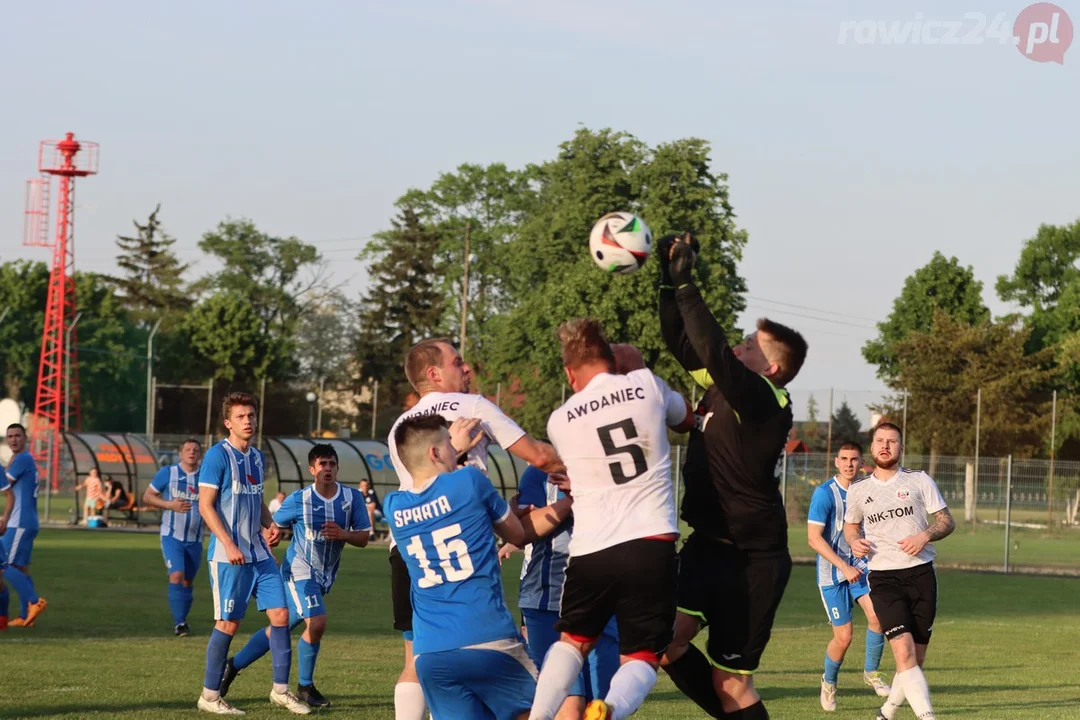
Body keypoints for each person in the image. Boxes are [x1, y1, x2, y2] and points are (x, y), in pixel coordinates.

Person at [657, 232, 808, 719]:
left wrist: (688, 286)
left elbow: (715, 350)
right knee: (663, 641)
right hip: (705, 547)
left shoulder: (767, 401)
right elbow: (683, 342)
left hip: (752, 563)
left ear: (774, 366)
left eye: (749, 344)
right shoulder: (724, 388)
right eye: (742, 340)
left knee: (732, 684)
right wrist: (667, 278)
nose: (738, 347)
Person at [386, 337, 564, 720]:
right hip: (468, 551)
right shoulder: (475, 408)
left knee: (419, 661)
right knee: (533, 706)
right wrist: (591, 470)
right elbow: (540, 456)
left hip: (413, 551)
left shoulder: (401, 427)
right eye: (458, 362)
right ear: (434, 373)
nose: (467, 369)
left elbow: (423, 486)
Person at [529, 319, 694, 720]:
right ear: (612, 358)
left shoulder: (560, 420)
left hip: (590, 550)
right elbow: (686, 419)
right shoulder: (647, 385)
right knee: (641, 654)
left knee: (572, 641)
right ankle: (611, 711)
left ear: (570, 374)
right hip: (650, 544)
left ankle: (537, 716)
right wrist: (637, 369)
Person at [221, 444, 371, 708]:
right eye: (322, 464)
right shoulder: (299, 499)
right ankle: (305, 687)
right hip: (299, 571)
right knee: (318, 621)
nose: (327, 468)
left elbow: (363, 538)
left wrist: (344, 534)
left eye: (331, 464)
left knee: (279, 628)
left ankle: (233, 665)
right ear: (312, 469)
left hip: (325, 576)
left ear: (337, 468)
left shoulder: (352, 498)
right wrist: (272, 541)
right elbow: (273, 526)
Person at [195, 392, 310, 715]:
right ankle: (209, 695)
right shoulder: (218, 456)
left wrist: (269, 524)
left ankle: (281, 691)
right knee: (228, 624)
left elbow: (256, 498)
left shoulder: (257, 458)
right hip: (228, 556)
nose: (248, 421)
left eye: (251, 415)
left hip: (259, 554)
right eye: (241, 416)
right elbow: (205, 506)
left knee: (282, 617)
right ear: (228, 422)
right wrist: (229, 544)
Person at [844, 422, 955, 720]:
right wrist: (854, 541)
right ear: (872, 447)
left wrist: (924, 536)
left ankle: (888, 711)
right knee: (903, 654)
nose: (885, 446)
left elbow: (946, 521)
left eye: (891, 442)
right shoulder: (858, 490)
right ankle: (927, 717)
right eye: (880, 440)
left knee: (915, 660)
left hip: (921, 576)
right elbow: (850, 526)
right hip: (883, 578)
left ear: (901, 448)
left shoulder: (919, 480)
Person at [504, 465, 619, 720]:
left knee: (602, 706)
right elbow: (523, 531)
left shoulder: (612, 465)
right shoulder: (539, 473)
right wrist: (571, 500)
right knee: (568, 704)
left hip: (605, 598)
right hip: (549, 601)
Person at [807, 441, 890, 711]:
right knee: (844, 637)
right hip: (833, 573)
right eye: (844, 459)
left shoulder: (867, 490)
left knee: (878, 616)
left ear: (861, 462)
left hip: (860, 566)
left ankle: (871, 672)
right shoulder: (824, 494)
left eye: (854, 459)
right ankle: (829, 683)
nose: (849, 464)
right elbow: (813, 539)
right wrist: (843, 566)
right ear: (836, 462)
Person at [143, 438, 204, 637]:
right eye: (187, 449)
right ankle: (179, 623)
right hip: (172, 536)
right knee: (176, 575)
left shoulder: (205, 476)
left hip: (195, 539)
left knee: (187, 581)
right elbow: (148, 496)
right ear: (180, 454)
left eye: (195, 449)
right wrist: (170, 505)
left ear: (200, 454)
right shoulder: (168, 473)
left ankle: (182, 620)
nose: (192, 452)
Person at [0, 423, 48, 630]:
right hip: (26, 520)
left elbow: (4, 485)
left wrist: (5, 517)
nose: (13, 440)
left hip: (18, 522)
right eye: (10, 436)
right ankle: (25, 615)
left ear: (25, 437)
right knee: (21, 568)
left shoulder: (23, 459)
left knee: (3, 566)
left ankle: (34, 600)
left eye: (17, 435)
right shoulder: (18, 459)